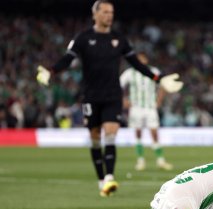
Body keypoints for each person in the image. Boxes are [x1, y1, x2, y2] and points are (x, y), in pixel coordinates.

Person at [36, 0, 182, 197]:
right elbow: (68, 58)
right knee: (95, 138)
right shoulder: (83, 38)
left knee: (111, 133)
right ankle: (100, 178)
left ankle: (110, 177)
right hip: (91, 96)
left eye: (111, 12)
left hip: (113, 96)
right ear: (95, 14)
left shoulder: (119, 39)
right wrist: (51, 71)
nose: (109, 15)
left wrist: (158, 78)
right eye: (105, 12)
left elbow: (137, 64)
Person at [120, 52, 174, 171]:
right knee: (138, 133)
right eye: (138, 59)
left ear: (146, 59)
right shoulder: (129, 73)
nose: (141, 61)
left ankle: (160, 161)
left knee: (154, 132)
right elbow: (118, 85)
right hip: (136, 108)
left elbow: (163, 85)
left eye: (142, 59)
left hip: (150, 107)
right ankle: (140, 160)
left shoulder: (154, 71)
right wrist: (124, 100)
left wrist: (159, 100)